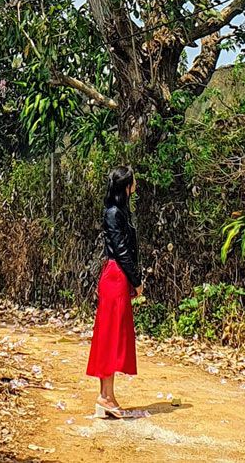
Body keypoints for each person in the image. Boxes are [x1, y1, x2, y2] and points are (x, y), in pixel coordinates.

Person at [86, 164, 141, 418]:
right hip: (116, 276)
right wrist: (137, 279)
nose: (136, 184)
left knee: (112, 335)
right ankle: (106, 396)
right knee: (111, 336)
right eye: (134, 181)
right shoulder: (114, 213)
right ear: (126, 186)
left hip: (117, 276)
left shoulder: (118, 212)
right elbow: (121, 251)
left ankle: (106, 396)